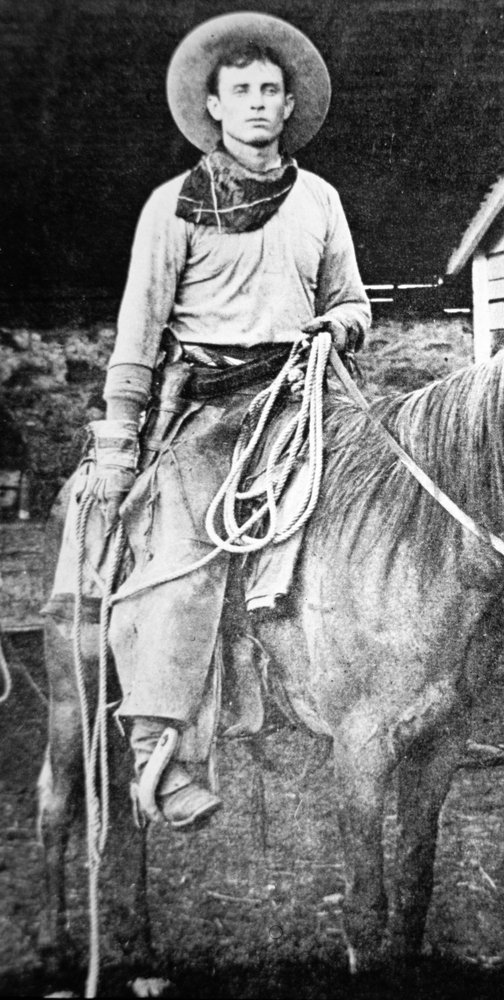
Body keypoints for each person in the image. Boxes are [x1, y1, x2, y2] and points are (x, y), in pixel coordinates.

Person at [43, 12, 370, 830]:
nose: (258, 104)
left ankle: (404, 695)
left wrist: (340, 326)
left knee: (396, 507)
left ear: (290, 105)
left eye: (270, 91)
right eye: (241, 93)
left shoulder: (320, 200)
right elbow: (138, 331)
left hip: (306, 395)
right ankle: (166, 748)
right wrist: (120, 441)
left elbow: (352, 300)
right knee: (189, 553)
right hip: (210, 411)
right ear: (215, 109)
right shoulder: (173, 206)